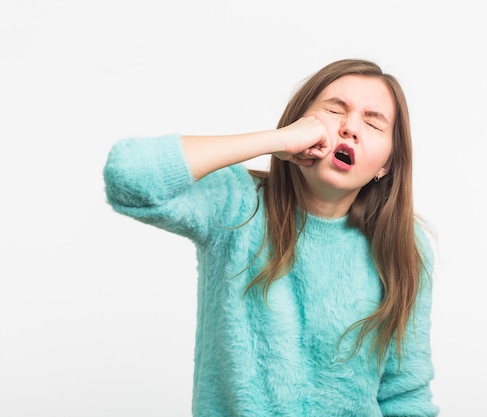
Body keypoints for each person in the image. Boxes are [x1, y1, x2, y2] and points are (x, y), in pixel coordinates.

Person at [104, 58, 438, 417]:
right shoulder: (237, 205)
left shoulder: (406, 247)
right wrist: (274, 140)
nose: (350, 128)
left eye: (372, 123)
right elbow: (128, 176)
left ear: (387, 164)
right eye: (333, 110)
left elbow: (405, 397)